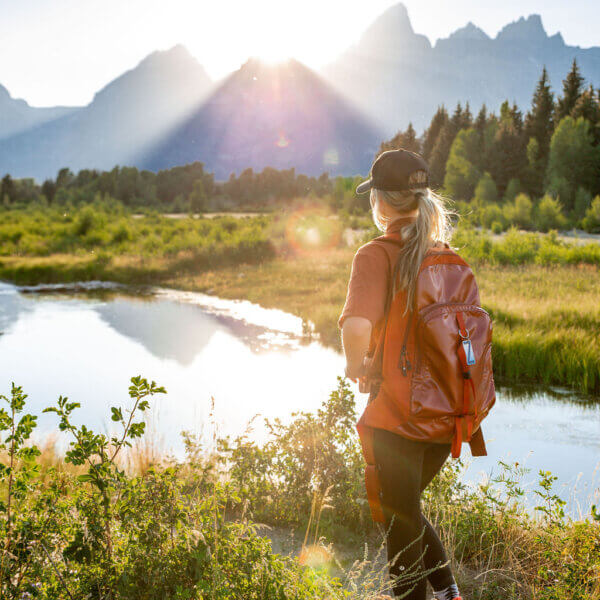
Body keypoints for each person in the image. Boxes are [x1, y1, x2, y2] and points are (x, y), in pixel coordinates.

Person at [339, 149, 463, 600]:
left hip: (397, 414)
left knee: (397, 515)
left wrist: (357, 366)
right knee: (404, 508)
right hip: (447, 413)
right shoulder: (446, 255)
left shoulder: (376, 255)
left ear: (382, 204)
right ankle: (450, 593)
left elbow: (356, 326)